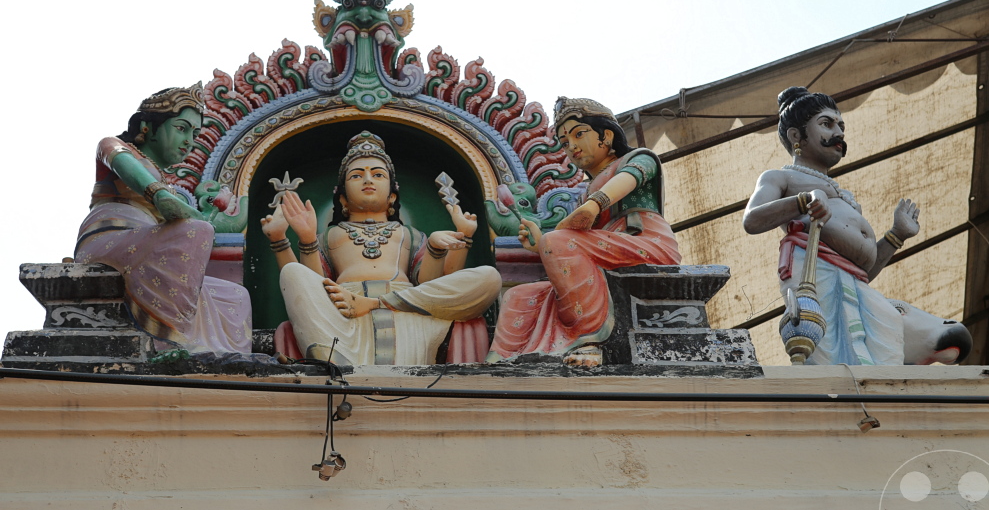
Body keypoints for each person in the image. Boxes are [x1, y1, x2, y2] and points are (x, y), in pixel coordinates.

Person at [743, 86, 971, 365]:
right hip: (818, 283)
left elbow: (862, 271)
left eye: (841, 125)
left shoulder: (842, 195)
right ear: (796, 136)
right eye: (826, 124)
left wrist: (895, 236)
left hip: (856, 288)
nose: (838, 133)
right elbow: (752, 220)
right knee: (836, 365)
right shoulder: (780, 177)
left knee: (882, 356)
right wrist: (804, 202)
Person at [262, 131, 501, 366]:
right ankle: (332, 355)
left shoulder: (408, 234)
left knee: (489, 277)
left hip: (407, 312)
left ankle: (379, 305)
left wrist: (442, 245)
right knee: (292, 273)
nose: (368, 180)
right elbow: (316, 285)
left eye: (377, 174)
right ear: (343, 199)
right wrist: (296, 238)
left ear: (392, 197)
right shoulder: (330, 235)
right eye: (356, 176)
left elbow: (430, 284)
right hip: (345, 312)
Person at [488, 97, 682, 365]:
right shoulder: (585, 196)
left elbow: (628, 179)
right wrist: (539, 243)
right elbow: (567, 240)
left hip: (645, 243)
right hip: (604, 251)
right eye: (565, 143)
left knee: (557, 242)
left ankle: (590, 341)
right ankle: (501, 361)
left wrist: (594, 205)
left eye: (579, 134)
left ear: (607, 136)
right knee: (520, 294)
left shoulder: (638, 159)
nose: (572, 147)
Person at [75, 84, 253, 353]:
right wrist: (159, 194)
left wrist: (225, 208)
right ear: (147, 127)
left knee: (235, 296)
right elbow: (127, 166)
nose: (189, 141)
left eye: (194, 133)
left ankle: (224, 357)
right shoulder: (115, 147)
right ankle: (170, 341)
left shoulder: (169, 187)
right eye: (181, 128)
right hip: (110, 239)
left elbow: (205, 227)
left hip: (147, 247)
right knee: (195, 231)